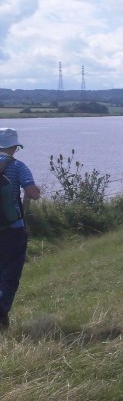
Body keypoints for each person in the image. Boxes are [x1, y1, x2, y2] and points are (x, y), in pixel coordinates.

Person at [0, 128, 41, 331]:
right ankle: (1, 312)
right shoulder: (17, 166)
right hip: (13, 230)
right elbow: (32, 193)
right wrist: (36, 191)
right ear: (15, 147)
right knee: (10, 274)